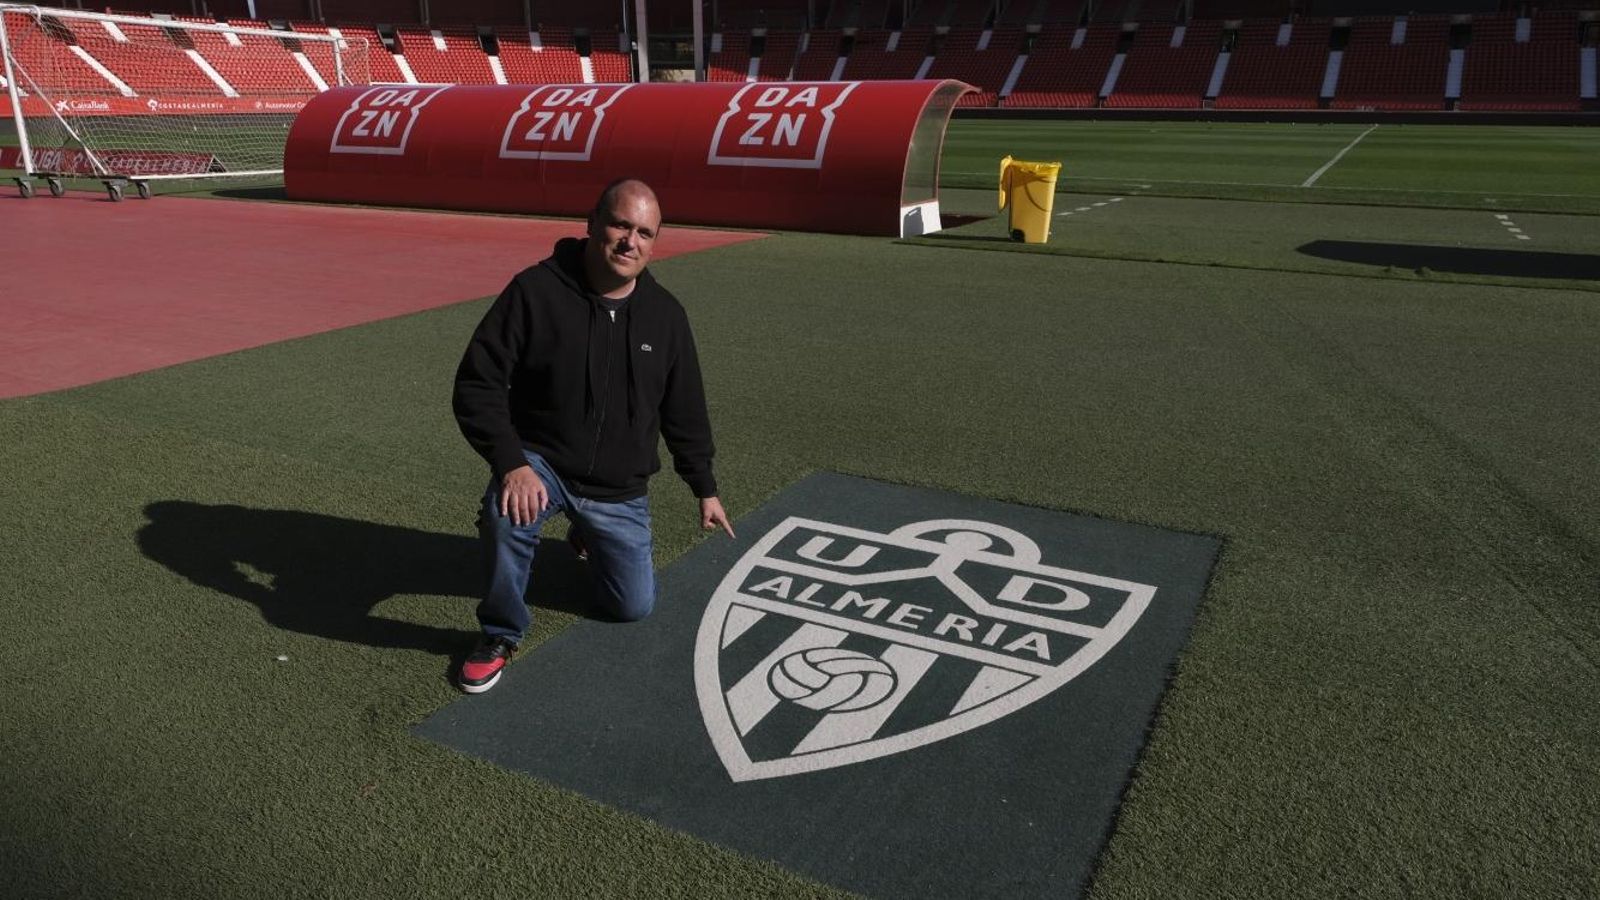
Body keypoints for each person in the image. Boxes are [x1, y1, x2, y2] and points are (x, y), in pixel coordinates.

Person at [451, 178, 734, 694]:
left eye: (645, 233)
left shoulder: (666, 316)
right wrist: (511, 462)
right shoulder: (535, 291)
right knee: (506, 511)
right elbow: (478, 382)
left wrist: (704, 486)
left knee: (631, 606)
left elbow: (684, 409)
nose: (631, 242)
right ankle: (500, 633)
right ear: (592, 224)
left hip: (616, 487)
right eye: (621, 225)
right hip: (543, 462)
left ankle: (587, 531)